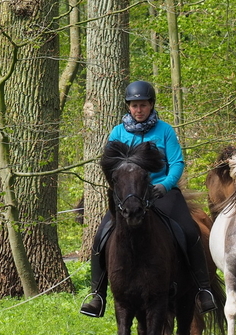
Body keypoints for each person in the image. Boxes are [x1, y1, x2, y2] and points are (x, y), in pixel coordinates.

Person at [80, 80, 217, 318]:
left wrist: (164, 186)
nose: (138, 110)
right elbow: (110, 166)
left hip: (160, 192)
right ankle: (97, 294)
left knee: (189, 230)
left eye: (143, 105)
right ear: (128, 106)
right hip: (128, 195)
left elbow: (176, 163)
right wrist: (120, 190)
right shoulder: (118, 132)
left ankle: (202, 289)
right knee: (101, 235)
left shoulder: (165, 130)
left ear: (151, 105)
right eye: (134, 106)